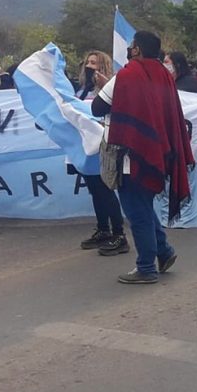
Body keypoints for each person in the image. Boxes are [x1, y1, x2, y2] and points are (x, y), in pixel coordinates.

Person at [91, 31, 195, 284]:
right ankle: (164, 251)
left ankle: (146, 267)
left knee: (137, 213)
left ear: (137, 50)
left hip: (131, 155)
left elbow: (97, 108)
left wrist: (107, 85)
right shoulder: (164, 75)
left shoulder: (127, 75)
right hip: (155, 153)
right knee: (144, 207)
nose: (129, 49)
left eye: (132, 45)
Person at [70, 51, 127, 256]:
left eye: (94, 63)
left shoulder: (111, 86)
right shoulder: (81, 90)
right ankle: (103, 229)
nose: (90, 66)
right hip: (86, 145)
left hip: (104, 142)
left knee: (105, 189)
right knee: (95, 189)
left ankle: (119, 234)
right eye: (88, 62)